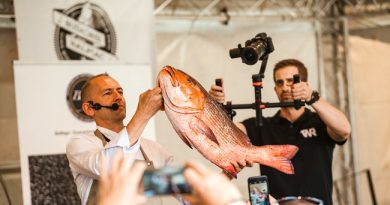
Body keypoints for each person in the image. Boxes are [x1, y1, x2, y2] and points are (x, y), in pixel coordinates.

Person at [209, 59, 351, 205]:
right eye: (279, 83)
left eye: (290, 81)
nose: (285, 87)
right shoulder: (262, 125)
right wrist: (212, 106)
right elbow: (220, 135)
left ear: (305, 85)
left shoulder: (320, 121)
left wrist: (312, 97)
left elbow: (344, 130)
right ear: (275, 89)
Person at [66, 73, 174, 205]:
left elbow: (180, 188)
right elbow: (108, 166)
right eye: (108, 93)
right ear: (89, 108)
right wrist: (143, 114)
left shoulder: (155, 149)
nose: (118, 97)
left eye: (120, 92)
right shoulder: (80, 144)